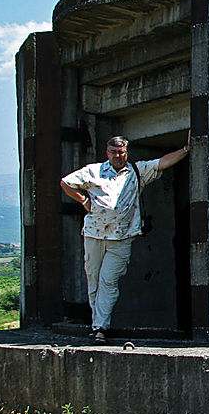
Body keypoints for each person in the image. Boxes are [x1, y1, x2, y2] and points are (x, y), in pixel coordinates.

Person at [60, 133, 189, 344]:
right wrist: (84, 201)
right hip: (94, 233)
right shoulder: (94, 170)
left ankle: (100, 327)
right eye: (113, 152)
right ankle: (97, 323)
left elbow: (162, 163)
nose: (117, 156)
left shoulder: (137, 171)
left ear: (126, 152)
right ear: (107, 153)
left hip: (121, 237)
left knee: (108, 281)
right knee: (93, 280)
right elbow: (66, 183)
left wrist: (185, 149)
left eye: (121, 152)